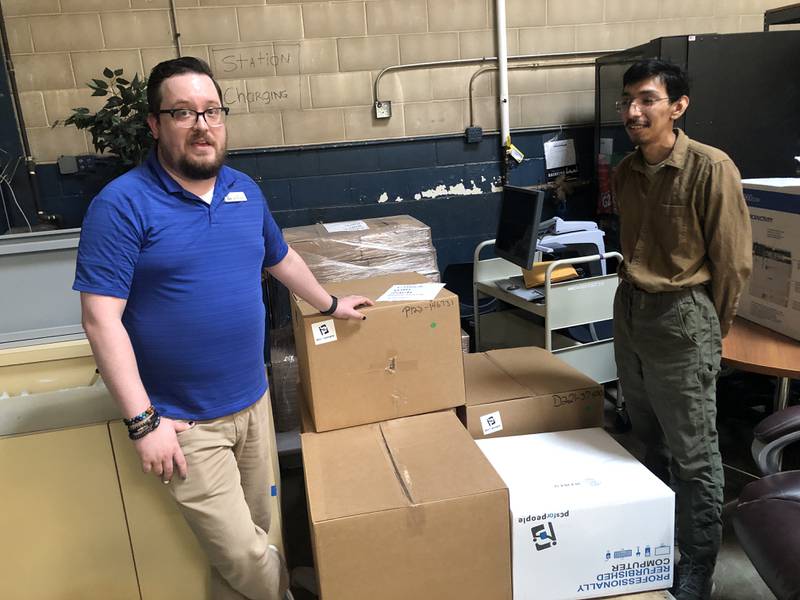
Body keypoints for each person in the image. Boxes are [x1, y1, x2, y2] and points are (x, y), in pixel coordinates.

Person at [74, 56, 373, 600]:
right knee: (246, 555)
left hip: (252, 403)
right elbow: (100, 319)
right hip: (185, 423)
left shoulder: (243, 190)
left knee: (254, 545)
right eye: (183, 112)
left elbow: (280, 259)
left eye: (211, 111)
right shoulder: (121, 205)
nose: (202, 125)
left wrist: (330, 305)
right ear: (154, 124)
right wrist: (144, 422)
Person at [611, 59, 752, 600]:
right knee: (647, 438)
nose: (633, 111)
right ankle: (654, 541)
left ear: (678, 105)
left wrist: (709, 331)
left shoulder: (711, 168)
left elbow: (733, 263)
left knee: (695, 454)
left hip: (682, 317)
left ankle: (698, 562)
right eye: (627, 100)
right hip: (631, 310)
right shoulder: (625, 172)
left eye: (647, 99)